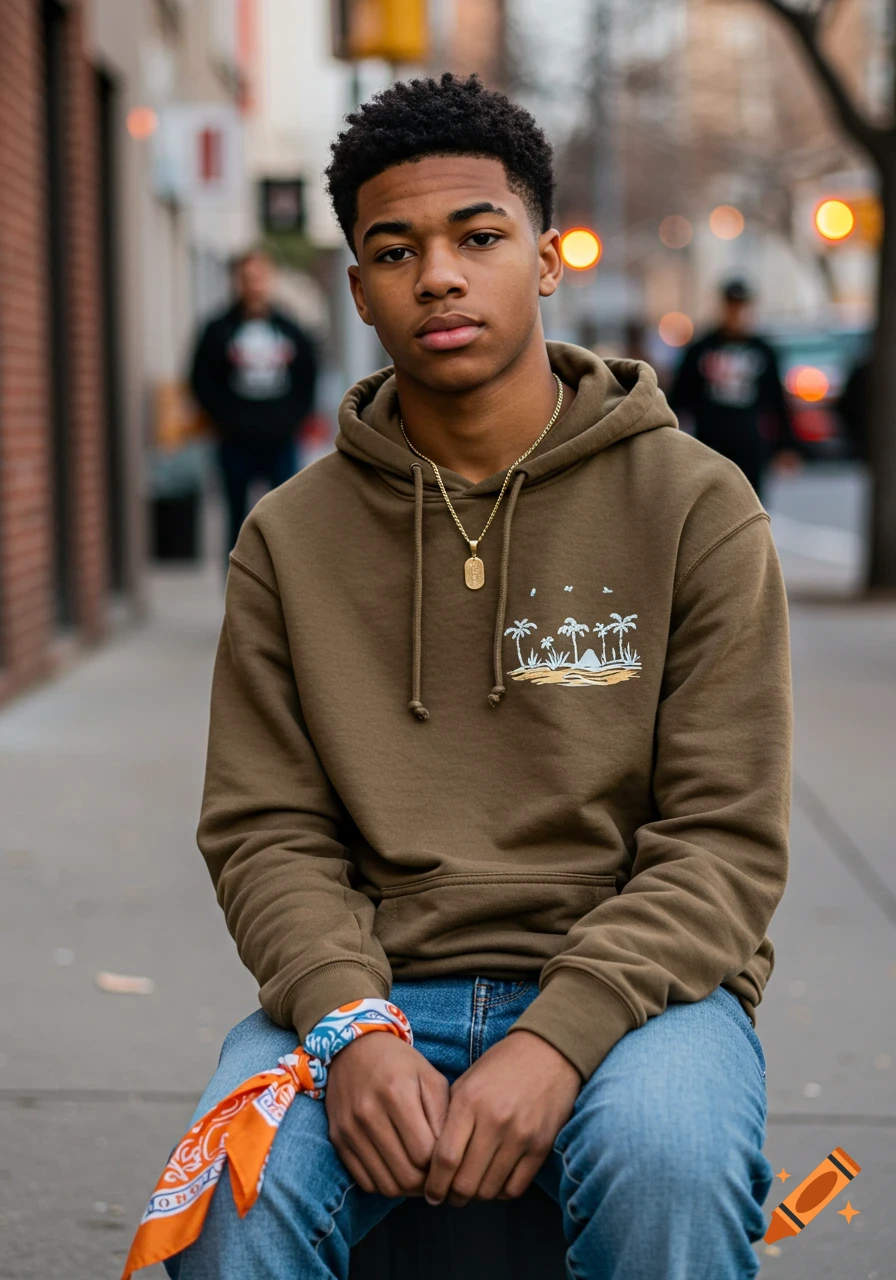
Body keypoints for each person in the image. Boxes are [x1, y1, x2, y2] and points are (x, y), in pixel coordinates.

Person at [130, 74, 792, 1280]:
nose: (437, 273)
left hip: (643, 996)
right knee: (229, 1196)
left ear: (543, 258)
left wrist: (560, 1035)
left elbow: (723, 838)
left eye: (476, 237)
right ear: (359, 290)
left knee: (665, 1162)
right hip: (376, 989)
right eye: (395, 249)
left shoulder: (694, 506)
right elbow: (265, 831)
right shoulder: (289, 536)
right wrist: (348, 1019)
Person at [189, 246, 318, 563]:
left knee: (285, 521)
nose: (253, 284)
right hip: (234, 442)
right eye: (246, 277)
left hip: (281, 440)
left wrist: (291, 421)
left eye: (259, 277)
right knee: (235, 523)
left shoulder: (291, 330)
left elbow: (308, 378)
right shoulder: (217, 330)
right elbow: (200, 379)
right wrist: (225, 420)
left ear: (270, 279)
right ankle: (237, 596)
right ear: (236, 281)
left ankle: (282, 591)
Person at [668, 278, 801, 504]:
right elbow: (679, 398)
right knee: (712, 504)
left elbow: (777, 401)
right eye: (732, 306)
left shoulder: (763, 350)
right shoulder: (701, 349)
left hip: (750, 442)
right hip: (710, 442)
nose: (736, 313)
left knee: (750, 504)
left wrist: (787, 445)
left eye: (742, 306)